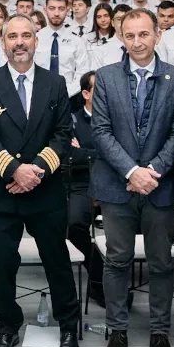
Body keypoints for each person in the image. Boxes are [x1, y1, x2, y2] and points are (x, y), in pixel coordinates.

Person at [0, 13, 79, 347]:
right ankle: (7, 326)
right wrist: (15, 171)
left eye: (26, 35)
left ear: (36, 40)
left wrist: (36, 172)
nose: (19, 42)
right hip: (2, 190)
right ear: (3, 43)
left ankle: (67, 325)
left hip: (44, 190)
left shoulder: (56, 83)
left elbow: (63, 135)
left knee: (56, 261)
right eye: (12, 36)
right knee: (2, 265)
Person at [90, 8, 174, 347]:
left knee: (162, 263)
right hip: (117, 186)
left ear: (158, 35)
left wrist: (152, 171)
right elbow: (100, 132)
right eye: (129, 35)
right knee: (117, 260)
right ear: (121, 38)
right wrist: (132, 171)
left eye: (143, 34)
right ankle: (117, 331)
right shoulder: (106, 76)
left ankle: (159, 333)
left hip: (160, 187)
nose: (137, 42)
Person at [67, 71, 107, 307]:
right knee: (74, 225)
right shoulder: (72, 119)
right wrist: (101, 153)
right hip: (81, 183)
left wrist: (87, 152)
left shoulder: (117, 119)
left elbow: (122, 155)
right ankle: (99, 279)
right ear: (85, 93)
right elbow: (70, 156)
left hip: (116, 182)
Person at [34, 0, 90, 97]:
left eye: (61, 9)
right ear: (45, 10)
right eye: (52, 8)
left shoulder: (76, 41)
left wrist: (67, 92)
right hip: (38, 95)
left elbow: (83, 71)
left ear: (68, 11)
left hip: (69, 96)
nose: (56, 13)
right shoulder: (36, 39)